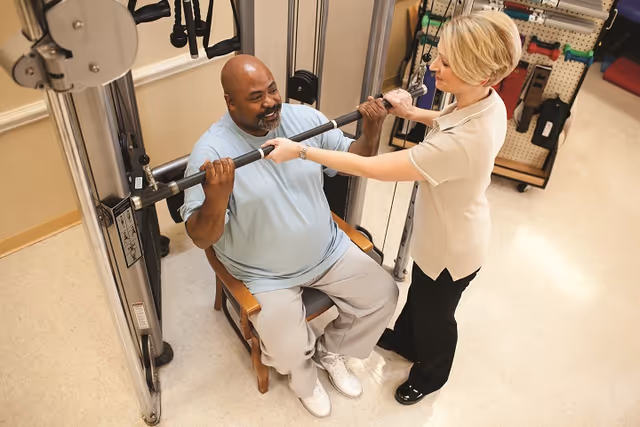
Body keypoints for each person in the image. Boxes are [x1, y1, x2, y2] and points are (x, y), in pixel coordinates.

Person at [264, 11, 522, 405]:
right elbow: (446, 119)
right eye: (439, 55)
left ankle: (430, 374)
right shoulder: (487, 102)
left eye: (446, 62)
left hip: (453, 250)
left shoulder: (465, 144)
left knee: (437, 318)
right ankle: (403, 338)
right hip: (439, 233)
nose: (434, 66)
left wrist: (301, 150)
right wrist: (411, 113)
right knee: (420, 296)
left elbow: (373, 168)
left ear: (481, 75)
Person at [180, 55, 399, 418]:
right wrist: (217, 197)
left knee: (383, 295)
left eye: (272, 90)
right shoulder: (211, 152)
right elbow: (202, 238)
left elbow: (356, 160)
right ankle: (305, 380)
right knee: (287, 349)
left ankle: (332, 350)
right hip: (264, 274)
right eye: (255, 97)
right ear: (230, 102)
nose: (270, 102)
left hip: (327, 250)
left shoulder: (304, 120)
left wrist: (372, 129)